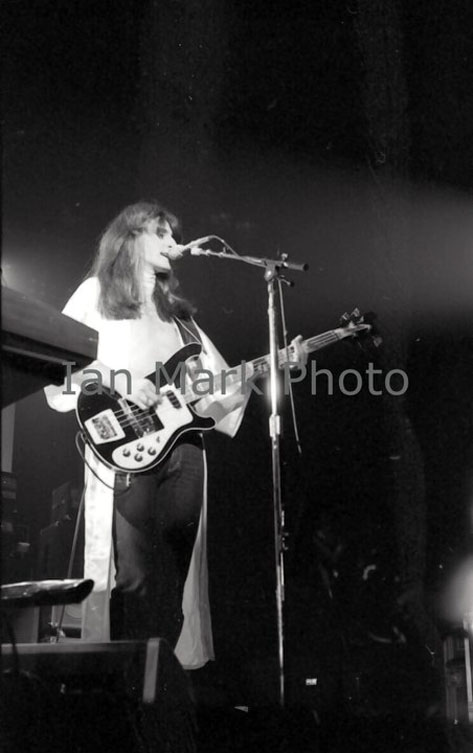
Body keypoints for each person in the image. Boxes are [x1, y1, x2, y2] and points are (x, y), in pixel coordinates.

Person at [45, 200, 305, 668]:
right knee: (135, 575)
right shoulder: (95, 295)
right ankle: (127, 686)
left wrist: (278, 359)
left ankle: (164, 685)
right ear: (130, 238)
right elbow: (61, 363)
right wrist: (121, 381)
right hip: (125, 448)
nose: (172, 243)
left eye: (172, 234)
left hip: (183, 453)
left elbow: (217, 386)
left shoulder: (180, 317)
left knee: (174, 576)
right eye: (160, 233)